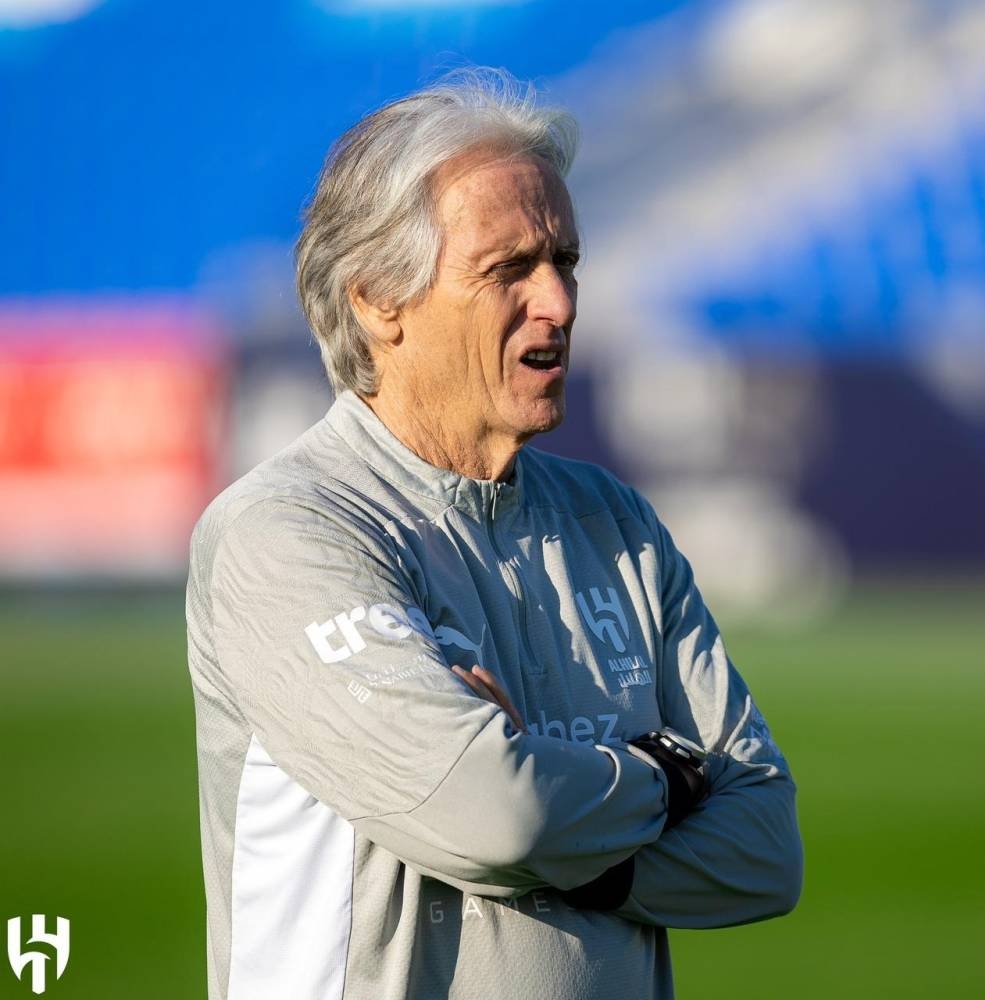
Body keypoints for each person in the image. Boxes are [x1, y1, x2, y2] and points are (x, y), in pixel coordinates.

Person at [186, 68, 803, 1000]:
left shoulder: (617, 524)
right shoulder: (288, 533)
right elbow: (491, 813)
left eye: (566, 261)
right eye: (509, 269)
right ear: (377, 299)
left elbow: (766, 849)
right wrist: (665, 775)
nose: (558, 302)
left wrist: (565, 820)